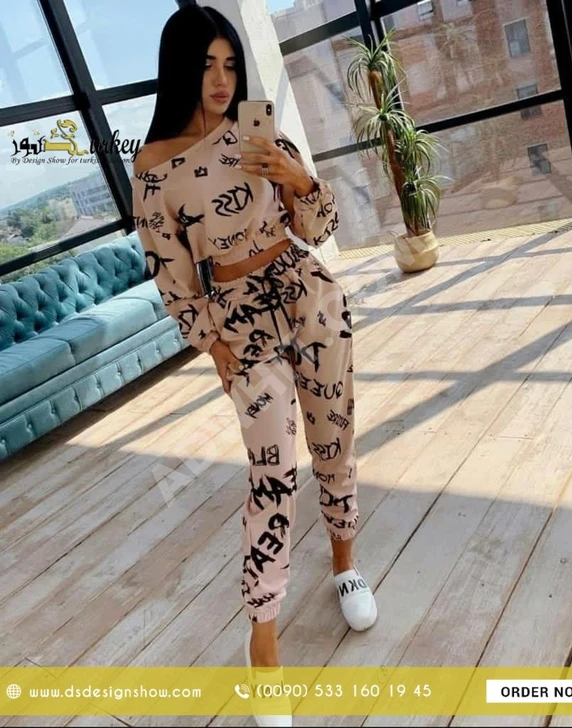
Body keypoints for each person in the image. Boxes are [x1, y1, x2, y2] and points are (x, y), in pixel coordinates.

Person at [131, 5, 377, 722]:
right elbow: (171, 275)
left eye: (230, 64)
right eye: (206, 65)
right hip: (238, 319)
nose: (221, 79)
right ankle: (262, 637)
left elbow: (321, 226)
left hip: (309, 294)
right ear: (180, 69)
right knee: (272, 471)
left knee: (334, 439)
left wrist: (298, 179)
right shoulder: (153, 167)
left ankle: (344, 566)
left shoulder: (256, 128)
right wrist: (212, 346)